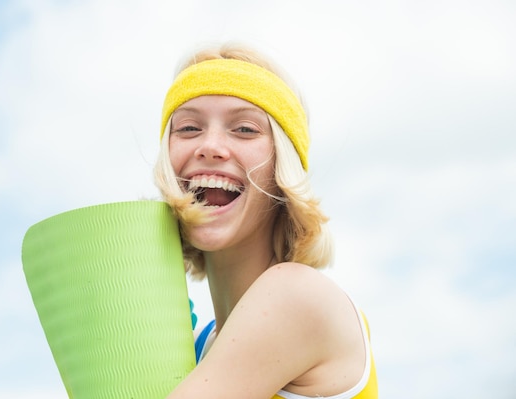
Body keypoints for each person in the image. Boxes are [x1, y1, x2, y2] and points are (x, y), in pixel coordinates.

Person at [153, 43, 378, 399]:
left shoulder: (297, 295)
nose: (210, 146)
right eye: (188, 128)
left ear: (281, 168)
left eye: (243, 129)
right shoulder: (195, 345)